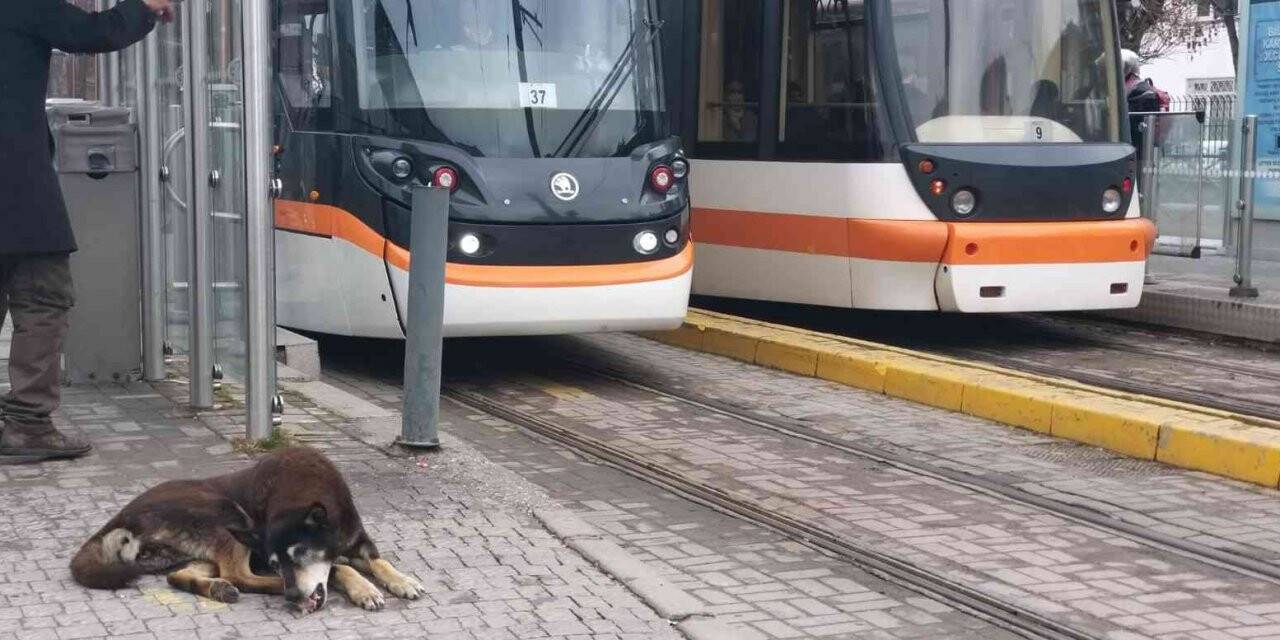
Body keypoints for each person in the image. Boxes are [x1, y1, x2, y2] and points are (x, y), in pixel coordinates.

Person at [0, 0, 173, 461]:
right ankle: (27, 422)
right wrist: (146, 8)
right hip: (15, 184)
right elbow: (94, 32)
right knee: (43, 296)